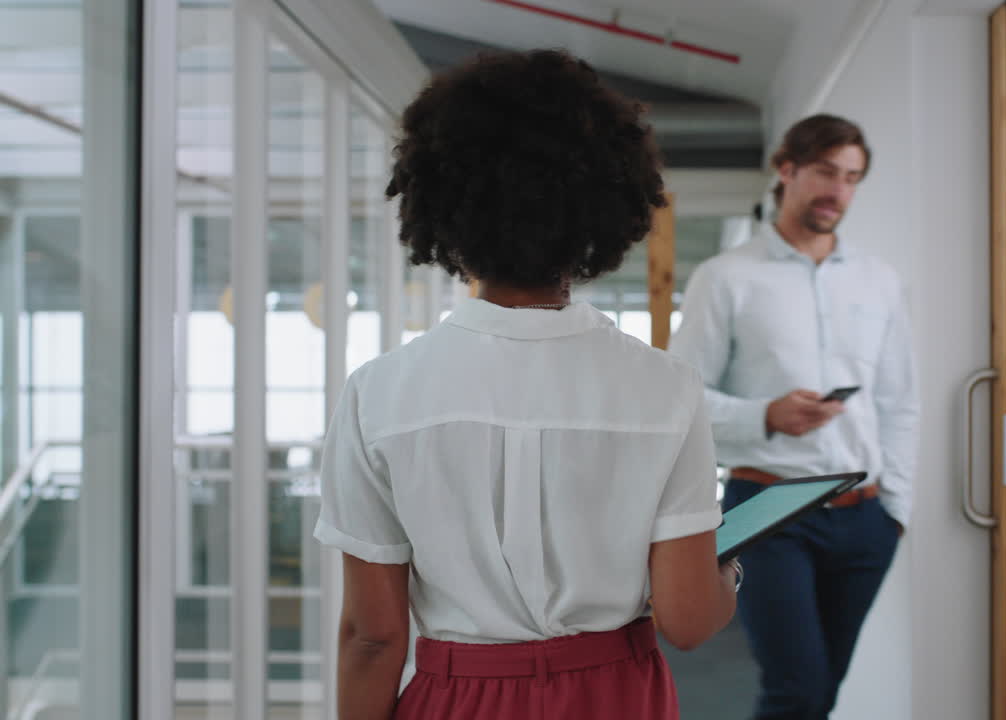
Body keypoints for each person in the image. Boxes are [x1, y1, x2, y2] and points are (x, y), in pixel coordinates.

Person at [313, 50, 740, 720]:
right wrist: (727, 578)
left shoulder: (378, 395)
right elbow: (687, 619)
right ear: (605, 207)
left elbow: (373, 636)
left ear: (444, 207)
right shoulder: (665, 389)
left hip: (455, 697)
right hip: (615, 697)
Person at [668, 114, 919, 719]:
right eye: (827, 172)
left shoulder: (878, 280)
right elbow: (679, 400)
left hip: (865, 518)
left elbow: (898, 400)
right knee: (796, 690)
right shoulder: (726, 277)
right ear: (787, 170)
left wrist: (898, 511)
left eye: (852, 178)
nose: (839, 191)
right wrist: (765, 417)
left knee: (823, 692)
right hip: (769, 509)